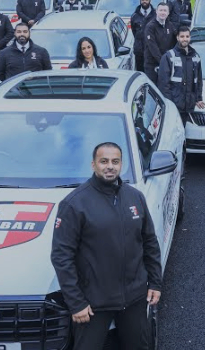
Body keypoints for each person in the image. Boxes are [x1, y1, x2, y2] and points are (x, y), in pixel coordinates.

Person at [51, 142, 163, 350]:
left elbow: (149, 241)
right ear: (93, 165)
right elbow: (61, 256)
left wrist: (155, 282)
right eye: (104, 161)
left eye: (115, 161)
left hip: (134, 298)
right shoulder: (74, 204)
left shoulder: (135, 197)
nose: (110, 166)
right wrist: (76, 303)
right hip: (93, 304)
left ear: (122, 165)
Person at [157, 27, 205, 118]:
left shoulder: (195, 56)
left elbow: (198, 81)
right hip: (175, 106)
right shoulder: (168, 57)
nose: (185, 39)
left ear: (190, 38)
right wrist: (169, 104)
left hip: (190, 106)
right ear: (177, 38)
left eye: (187, 36)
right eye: (182, 36)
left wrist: (198, 99)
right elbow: (163, 84)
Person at [143, 3, 178, 77]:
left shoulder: (170, 25)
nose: (163, 12)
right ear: (156, 11)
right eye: (161, 10)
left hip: (167, 62)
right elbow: (152, 47)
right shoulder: (150, 27)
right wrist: (163, 61)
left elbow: (177, 40)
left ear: (168, 13)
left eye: (165, 10)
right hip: (152, 65)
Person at [129, 0, 155, 73]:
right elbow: (134, 31)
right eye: (143, 0)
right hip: (139, 51)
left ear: (150, 0)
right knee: (140, 73)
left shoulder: (155, 15)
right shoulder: (134, 16)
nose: (144, 1)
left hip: (152, 50)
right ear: (140, 0)